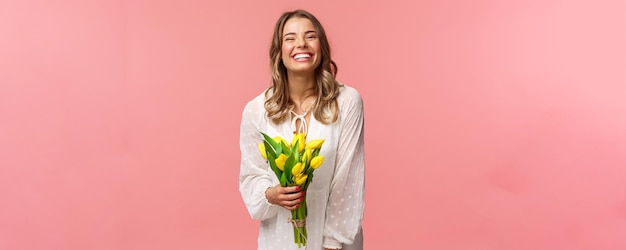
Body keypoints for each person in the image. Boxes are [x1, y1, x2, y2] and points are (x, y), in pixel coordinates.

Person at [239, 9, 365, 250]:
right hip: (278, 239)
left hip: (335, 243)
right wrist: (270, 193)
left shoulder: (347, 102)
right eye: (290, 38)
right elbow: (251, 177)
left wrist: (332, 244)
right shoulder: (256, 110)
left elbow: (348, 183)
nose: (301, 44)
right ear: (279, 52)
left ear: (322, 46)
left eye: (310, 36)